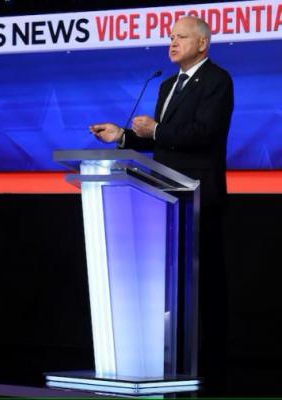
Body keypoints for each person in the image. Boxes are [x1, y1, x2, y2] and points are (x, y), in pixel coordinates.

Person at [89, 16, 233, 392]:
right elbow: (163, 141)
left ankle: (215, 367)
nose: (172, 43)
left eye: (181, 37)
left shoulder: (217, 80)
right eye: (170, 37)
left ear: (202, 44)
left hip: (200, 196)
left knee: (206, 283)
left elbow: (204, 134)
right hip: (166, 197)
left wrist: (156, 130)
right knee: (172, 284)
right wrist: (123, 136)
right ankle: (173, 360)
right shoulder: (167, 84)